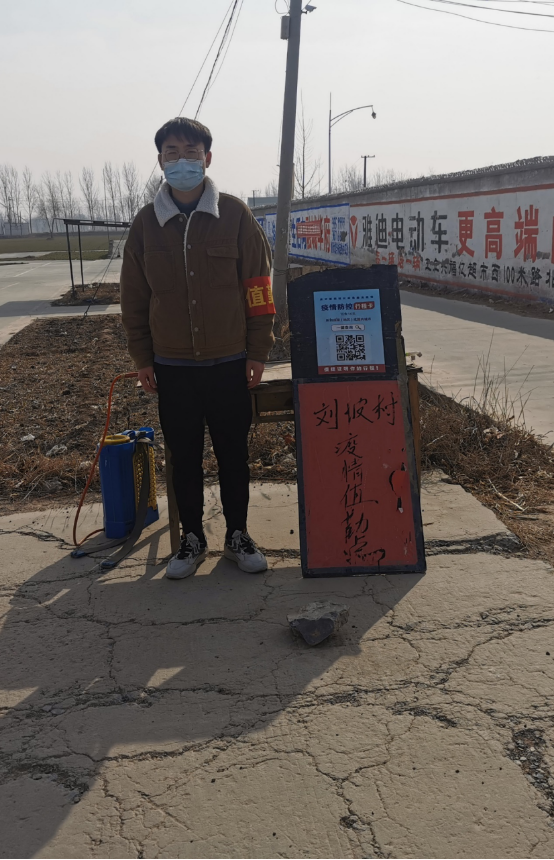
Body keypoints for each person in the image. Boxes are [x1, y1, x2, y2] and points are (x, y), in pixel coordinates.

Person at [120, 117, 275, 579]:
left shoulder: (235, 215)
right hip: (173, 366)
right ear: (160, 161)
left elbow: (258, 288)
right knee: (183, 456)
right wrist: (142, 358)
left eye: (191, 152)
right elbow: (134, 299)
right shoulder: (146, 225)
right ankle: (191, 539)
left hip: (229, 361)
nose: (182, 161)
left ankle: (238, 535)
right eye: (172, 152)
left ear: (207, 158)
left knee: (233, 454)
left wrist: (258, 350)